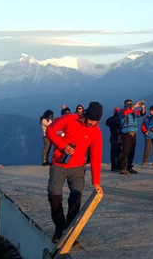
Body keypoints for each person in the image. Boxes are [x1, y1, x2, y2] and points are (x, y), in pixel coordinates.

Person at [46, 102, 104, 243]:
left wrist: (96, 182)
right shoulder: (70, 119)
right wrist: (63, 145)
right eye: (91, 121)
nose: (93, 124)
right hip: (59, 165)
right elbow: (50, 131)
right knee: (54, 198)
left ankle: (70, 232)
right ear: (86, 115)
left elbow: (96, 157)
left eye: (96, 122)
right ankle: (59, 228)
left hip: (78, 168)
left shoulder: (95, 132)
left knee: (75, 199)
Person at [119, 99, 146, 174]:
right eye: (128, 104)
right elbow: (125, 113)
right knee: (126, 150)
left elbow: (141, 114)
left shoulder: (133, 111)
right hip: (126, 132)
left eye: (131, 104)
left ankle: (129, 167)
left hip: (133, 131)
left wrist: (143, 107)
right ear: (125, 105)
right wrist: (135, 106)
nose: (130, 105)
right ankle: (122, 167)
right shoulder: (122, 111)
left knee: (132, 150)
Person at [106, 107, 122, 172]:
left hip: (112, 137)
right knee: (119, 152)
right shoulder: (120, 119)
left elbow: (107, 123)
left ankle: (113, 166)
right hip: (119, 137)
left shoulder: (110, 119)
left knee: (113, 153)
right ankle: (118, 166)